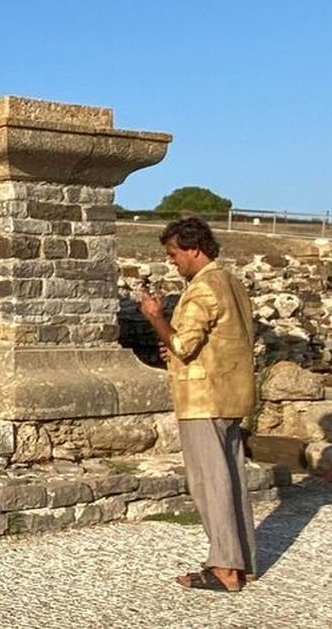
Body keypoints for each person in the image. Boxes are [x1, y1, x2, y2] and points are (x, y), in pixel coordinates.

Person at [138, 216, 258, 593]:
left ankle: (224, 566)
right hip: (230, 393)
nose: (173, 261)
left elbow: (183, 345)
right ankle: (242, 561)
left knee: (210, 482)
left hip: (203, 398)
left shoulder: (203, 288)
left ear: (194, 249)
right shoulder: (231, 283)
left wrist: (157, 318)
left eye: (174, 253)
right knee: (232, 479)